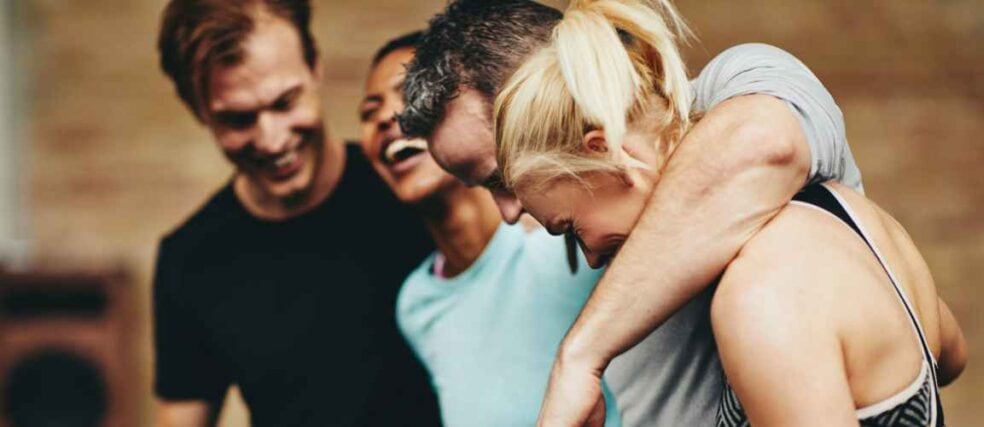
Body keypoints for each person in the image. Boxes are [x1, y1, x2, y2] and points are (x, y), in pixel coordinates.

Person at [492, 0, 968, 425]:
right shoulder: (856, 218)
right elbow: (950, 352)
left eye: (571, 228)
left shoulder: (760, 296)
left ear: (605, 152)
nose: (591, 258)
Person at [399, 0, 862, 425]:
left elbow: (766, 146)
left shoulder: (735, 84)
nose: (507, 211)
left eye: (504, 177)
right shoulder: (581, 239)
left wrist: (581, 356)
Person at [152, 1, 439, 425]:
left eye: (285, 103)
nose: (271, 140)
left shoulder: (418, 193)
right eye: (238, 119)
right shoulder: (190, 260)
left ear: (314, 66)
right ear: (199, 111)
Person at [356, 31, 622, 427]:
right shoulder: (417, 303)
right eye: (368, 111)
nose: (384, 118)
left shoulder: (571, 239)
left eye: (408, 94)